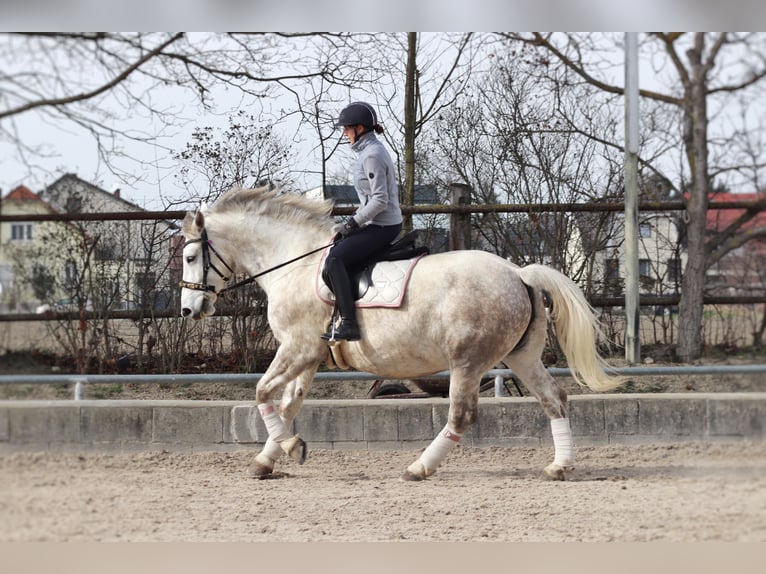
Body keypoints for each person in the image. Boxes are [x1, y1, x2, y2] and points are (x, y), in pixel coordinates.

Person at [321, 101, 403, 341]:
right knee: (336, 250)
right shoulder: (369, 152)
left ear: (358, 128)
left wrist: (353, 223)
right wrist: (349, 224)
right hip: (376, 223)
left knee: (335, 259)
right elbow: (369, 200)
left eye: (346, 129)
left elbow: (380, 201)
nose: (344, 133)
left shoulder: (372, 155)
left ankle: (349, 324)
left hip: (383, 226)